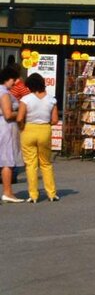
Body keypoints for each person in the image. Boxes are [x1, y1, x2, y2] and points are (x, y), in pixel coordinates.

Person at [17, 72, 59, 203]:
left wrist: (22, 126)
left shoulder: (26, 99)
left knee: (31, 164)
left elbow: (19, 118)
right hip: (44, 130)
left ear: (29, 86)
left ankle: (33, 195)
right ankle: (51, 193)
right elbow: (55, 120)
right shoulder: (51, 99)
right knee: (46, 163)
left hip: (28, 129)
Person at [0, 65, 22, 202]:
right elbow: (8, 114)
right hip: (5, 128)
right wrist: (20, 113)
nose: (14, 83)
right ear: (8, 79)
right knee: (7, 160)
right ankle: (7, 192)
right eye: (13, 80)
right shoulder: (4, 93)